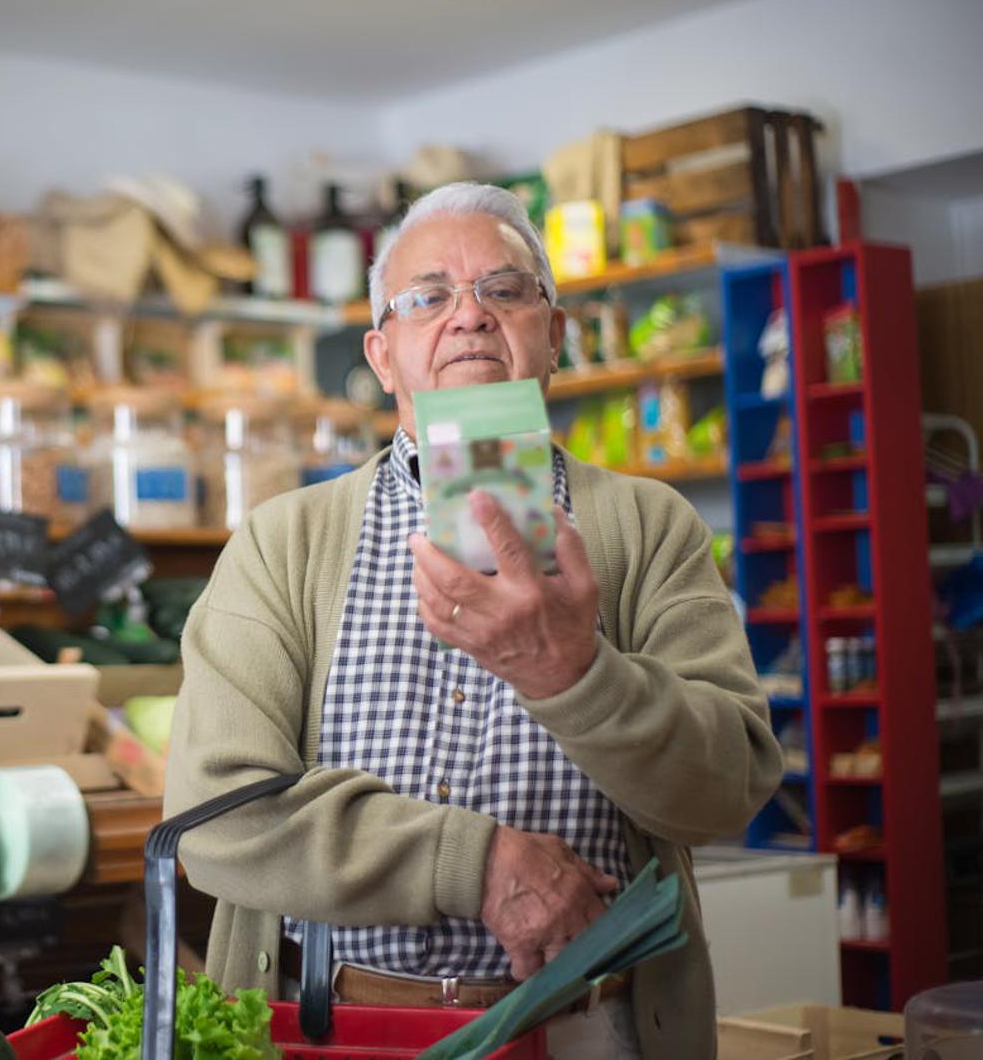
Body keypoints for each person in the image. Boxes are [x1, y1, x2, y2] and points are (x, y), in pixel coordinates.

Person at [164, 182, 783, 1059]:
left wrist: (575, 675)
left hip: (590, 1026)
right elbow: (213, 819)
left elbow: (725, 792)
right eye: (428, 297)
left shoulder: (648, 526)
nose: (471, 317)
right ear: (384, 356)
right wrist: (479, 862)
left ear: (555, 335)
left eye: (506, 289)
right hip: (333, 1027)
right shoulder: (282, 542)